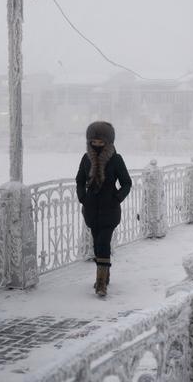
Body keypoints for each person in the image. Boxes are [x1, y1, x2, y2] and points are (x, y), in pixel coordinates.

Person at [76, 121, 132, 297]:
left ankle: (101, 283)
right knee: (96, 244)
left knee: (103, 243)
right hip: (92, 210)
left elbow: (126, 183)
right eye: (94, 142)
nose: (97, 145)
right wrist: (82, 197)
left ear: (108, 142)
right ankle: (105, 275)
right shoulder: (86, 159)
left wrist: (117, 197)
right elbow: (79, 179)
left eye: (101, 142)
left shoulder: (116, 159)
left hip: (110, 210)